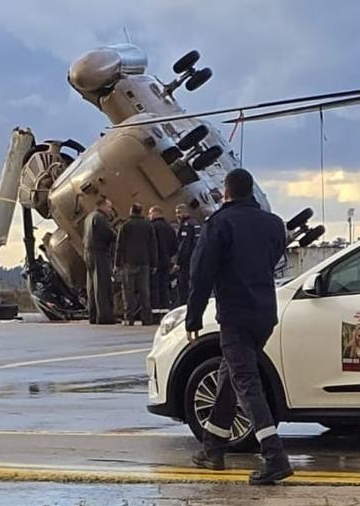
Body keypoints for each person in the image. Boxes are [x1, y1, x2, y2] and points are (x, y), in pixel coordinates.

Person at [185, 168, 292, 485]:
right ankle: (213, 447)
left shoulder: (219, 224)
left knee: (245, 382)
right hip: (265, 315)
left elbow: (201, 274)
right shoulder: (273, 224)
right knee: (229, 375)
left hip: (235, 316)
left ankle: (275, 456)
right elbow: (273, 259)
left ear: (226, 192)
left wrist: (193, 317)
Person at [115, 203, 158, 326]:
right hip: (144, 263)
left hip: (129, 263)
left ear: (131, 211)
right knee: (144, 292)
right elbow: (153, 246)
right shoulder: (148, 226)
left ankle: (129, 318)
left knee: (128, 293)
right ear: (141, 212)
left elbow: (120, 246)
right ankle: (147, 319)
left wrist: (117, 264)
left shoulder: (125, 226)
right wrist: (153, 264)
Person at [83, 195, 116, 325]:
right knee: (102, 285)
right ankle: (105, 316)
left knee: (91, 285)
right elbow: (110, 234)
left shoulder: (89, 217)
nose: (110, 210)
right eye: (109, 207)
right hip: (99, 253)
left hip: (89, 253)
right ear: (102, 206)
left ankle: (93, 314)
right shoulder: (100, 218)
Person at [149, 205, 178, 309]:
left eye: (150, 213)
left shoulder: (151, 227)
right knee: (164, 286)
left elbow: (149, 245)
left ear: (155, 213)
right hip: (166, 261)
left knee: (154, 287)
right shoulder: (169, 228)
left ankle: (155, 310)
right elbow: (175, 246)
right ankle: (166, 308)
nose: (149, 216)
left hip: (155, 263)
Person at [173, 203, 195, 306]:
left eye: (179, 212)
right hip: (193, 260)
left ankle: (184, 308)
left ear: (185, 212)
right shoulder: (195, 223)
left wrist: (178, 262)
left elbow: (184, 246)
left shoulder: (186, 226)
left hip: (186, 262)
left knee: (183, 288)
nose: (177, 215)